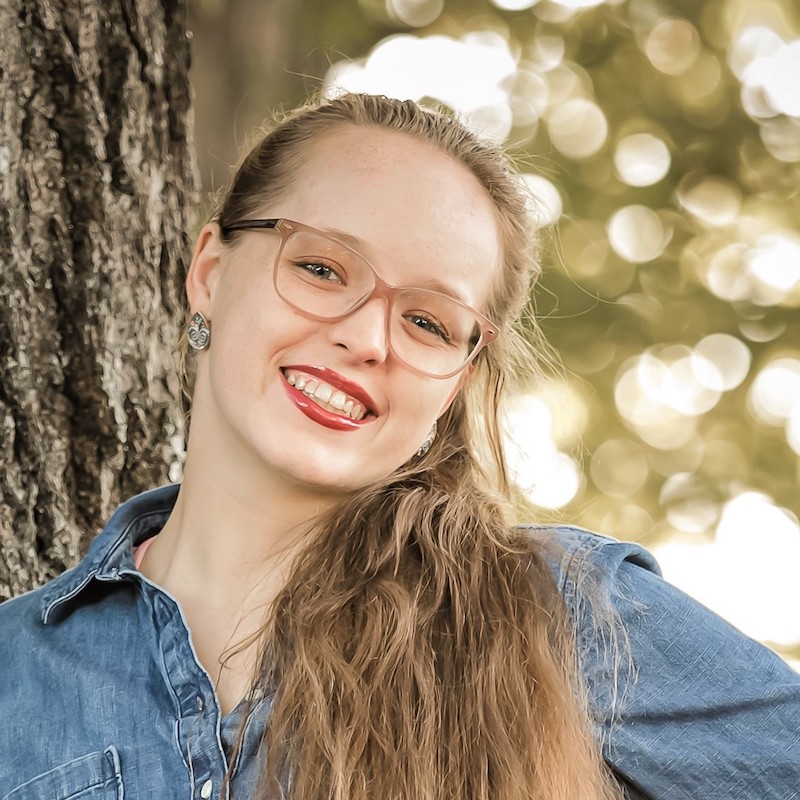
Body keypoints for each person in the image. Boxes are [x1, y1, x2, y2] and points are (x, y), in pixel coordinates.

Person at [1, 93, 798, 800]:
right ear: (208, 271)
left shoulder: (565, 613)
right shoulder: (13, 675)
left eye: (427, 321)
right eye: (321, 267)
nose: (367, 337)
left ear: (455, 379)